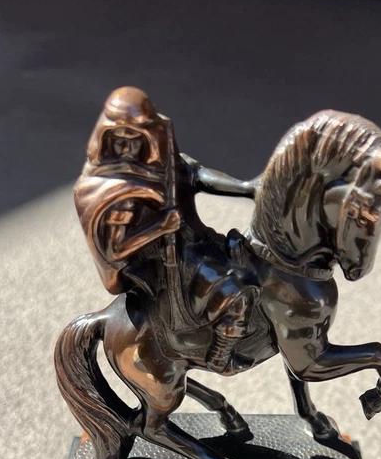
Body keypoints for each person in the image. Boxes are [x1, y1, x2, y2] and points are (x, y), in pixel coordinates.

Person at [74, 87, 260, 372]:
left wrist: (246, 188)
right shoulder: (115, 191)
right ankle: (220, 356)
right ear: (105, 140)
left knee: (252, 259)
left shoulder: (162, 165)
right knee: (235, 291)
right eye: (119, 142)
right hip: (162, 260)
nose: (126, 149)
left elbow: (195, 174)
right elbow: (116, 249)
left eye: (133, 141)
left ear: (147, 138)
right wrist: (160, 226)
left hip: (195, 241)